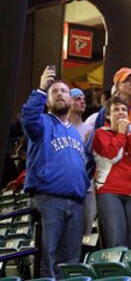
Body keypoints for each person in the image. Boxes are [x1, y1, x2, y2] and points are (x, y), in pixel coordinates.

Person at [21, 67, 89, 277]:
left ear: (71, 99)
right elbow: (28, 118)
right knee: (47, 259)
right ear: (48, 101)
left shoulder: (76, 134)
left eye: (64, 91)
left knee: (70, 260)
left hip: (76, 202)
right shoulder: (41, 123)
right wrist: (41, 89)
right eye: (54, 92)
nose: (60, 94)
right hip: (48, 199)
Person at [92, 96, 131, 248]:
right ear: (108, 115)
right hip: (109, 191)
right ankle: (115, 272)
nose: (121, 112)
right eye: (116, 109)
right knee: (116, 239)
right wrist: (122, 134)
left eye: (124, 109)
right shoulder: (100, 134)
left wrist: (128, 135)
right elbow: (113, 156)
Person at [68, 88, 96, 236]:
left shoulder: (90, 130)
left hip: (87, 189)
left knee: (85, 233)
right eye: (77, 98)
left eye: (84, 99)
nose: (82, 101)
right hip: (67, 188)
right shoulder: (61, 128)